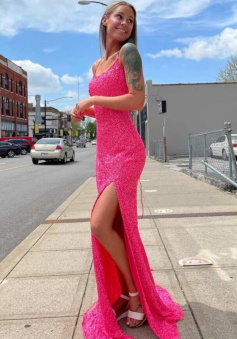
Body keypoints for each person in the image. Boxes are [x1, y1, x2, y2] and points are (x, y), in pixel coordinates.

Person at [71, 2, 184, 338]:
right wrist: (85, 114)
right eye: (119, 16)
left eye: (131, 20)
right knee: (111, 224)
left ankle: (134, 294)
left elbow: (135, 101)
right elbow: (108, 115)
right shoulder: (96, 66)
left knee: (99, 223)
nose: (125, 23)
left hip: (127, 153)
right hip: (104, 154)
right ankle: (124, 291)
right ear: (105, 20)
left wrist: (92, 101)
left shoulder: (129, 54)